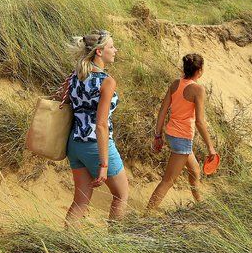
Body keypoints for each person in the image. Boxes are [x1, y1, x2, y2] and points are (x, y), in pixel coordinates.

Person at [63, 30, 129, 225]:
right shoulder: (106, 81)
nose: (115, 50)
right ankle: (116, 244)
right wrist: (103, 165)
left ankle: (66, 244)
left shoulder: (76, 75)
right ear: (99, 52)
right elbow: (100, 125)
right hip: (95, 144)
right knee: (121, 195)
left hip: (74, 144)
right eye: (111, 47)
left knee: (81, 201)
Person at [145, 53, 217, 212]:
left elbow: (163, 111)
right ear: (199, 70)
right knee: (168, 180)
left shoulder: (175, 84)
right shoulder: (198, 89)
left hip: (171, 134)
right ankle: (147, 214)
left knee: (195, 171)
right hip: (182, 138)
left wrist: (158, 135)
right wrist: (210, 147)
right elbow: (199, 121)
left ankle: (200, 205)